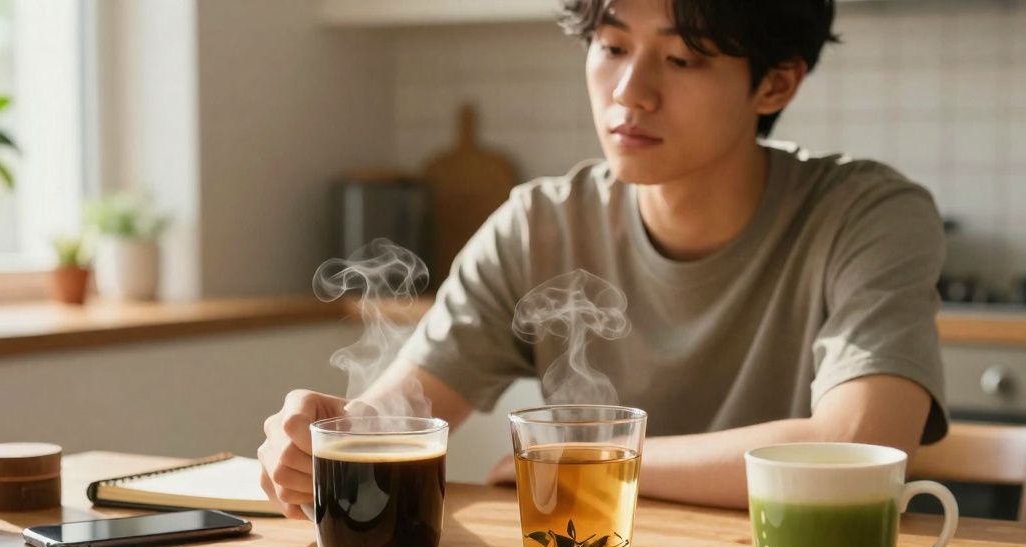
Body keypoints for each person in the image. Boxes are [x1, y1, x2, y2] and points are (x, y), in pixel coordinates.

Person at [259, 0, 947, 516]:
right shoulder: (540, 226)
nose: (630, 93)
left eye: (680, 60)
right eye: (612, 46)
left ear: (776, 85)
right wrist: (331, 437)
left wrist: (585, 460)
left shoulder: (867, 214)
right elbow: (398, 417)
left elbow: (859, 444)